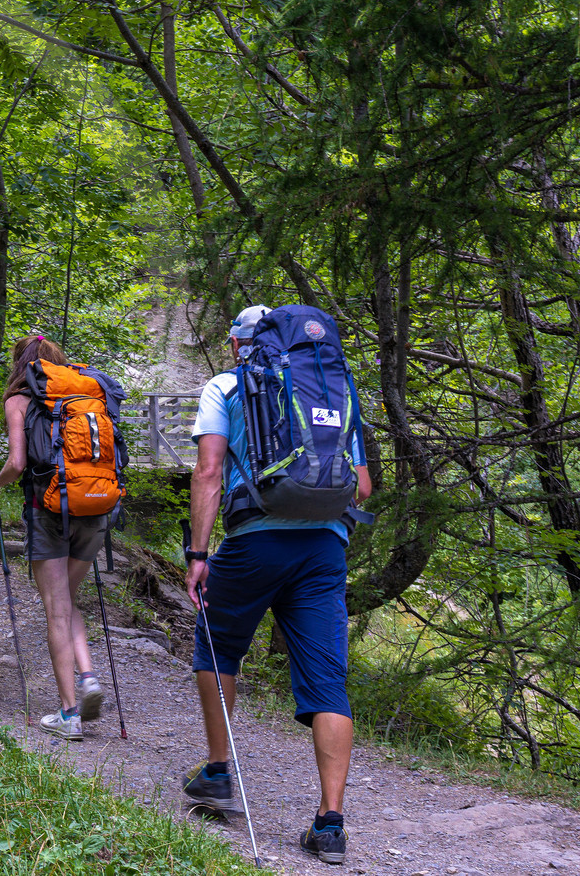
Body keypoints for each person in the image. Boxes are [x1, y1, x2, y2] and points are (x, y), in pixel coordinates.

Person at [183, 303, 371, 866]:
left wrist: (198, 552)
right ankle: (330, 823)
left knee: (216, 647)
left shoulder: (226, 384)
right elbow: (360, 486)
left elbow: (209, 472)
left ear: (243, 342)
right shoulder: (338, 388)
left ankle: (218, 772)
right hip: (324, 548)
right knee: (326, 681)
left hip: (255, 543)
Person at [0, 336, 115, 741]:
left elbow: (17, 463)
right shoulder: (87, 395)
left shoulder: (19, 400)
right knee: (68, 600)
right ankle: (88, 677)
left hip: (48, 508)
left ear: (21, 364)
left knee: (56, 608)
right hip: (95, 507)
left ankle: (70, 713)